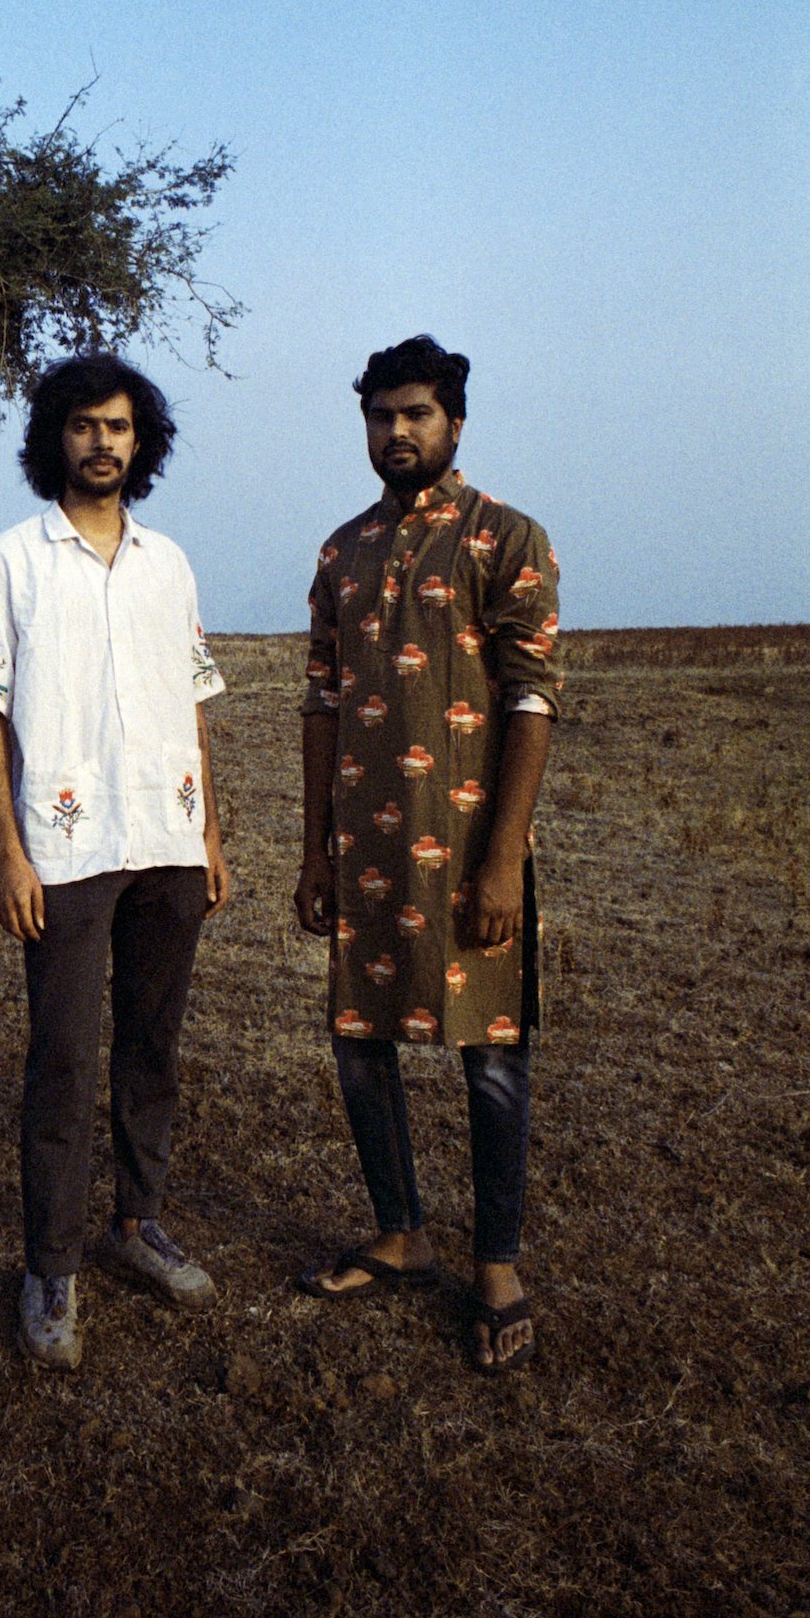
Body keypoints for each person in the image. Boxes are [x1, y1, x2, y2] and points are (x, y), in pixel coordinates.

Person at [0, 352, 229, 1371]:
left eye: (117, 426)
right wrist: (5, 853)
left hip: (165, 840)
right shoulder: (8, 561)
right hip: (61, 851)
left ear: (139, 441)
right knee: (63, 1058)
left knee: (152, 1044)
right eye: (81, 426)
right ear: (53, 439)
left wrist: (208, 833)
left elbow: (191, 699)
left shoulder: (169, 562)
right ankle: (50, 1267)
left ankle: (138, 1222)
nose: (100, 442)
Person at [293, 335, 561, 1374]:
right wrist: (314, 852)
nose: (394, 432)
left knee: (488, 1053)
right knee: (358, 1042)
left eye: (413, 413)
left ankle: (495, 1264)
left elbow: (532, 699)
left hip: (466, 851)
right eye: (378, 415)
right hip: (363, 846)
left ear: (452, 420)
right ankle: (397, 1233)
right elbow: (319, 700)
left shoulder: (505, 539)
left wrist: (500, 863)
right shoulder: (341, 551)